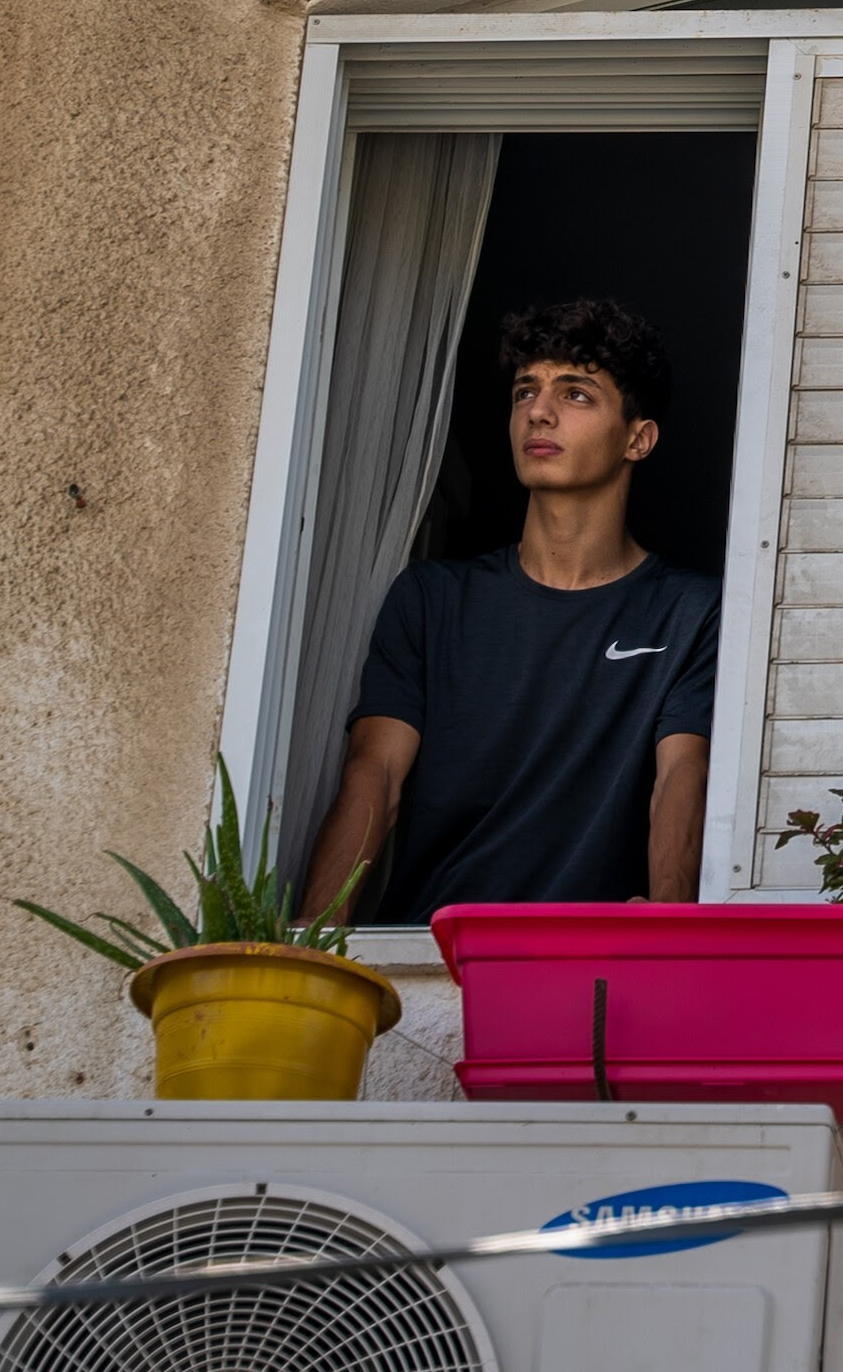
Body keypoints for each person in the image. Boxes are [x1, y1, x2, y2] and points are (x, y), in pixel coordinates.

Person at [302, 298, 721, 926]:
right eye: (526, 390)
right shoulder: (432, 599)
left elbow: (680, 778)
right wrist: (310, 941)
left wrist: (667, 926)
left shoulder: (690, 611)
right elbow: (376, 774)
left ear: (639, 437)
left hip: (591, 961)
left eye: (576, 394)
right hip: (428, 947)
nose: (539, 411)